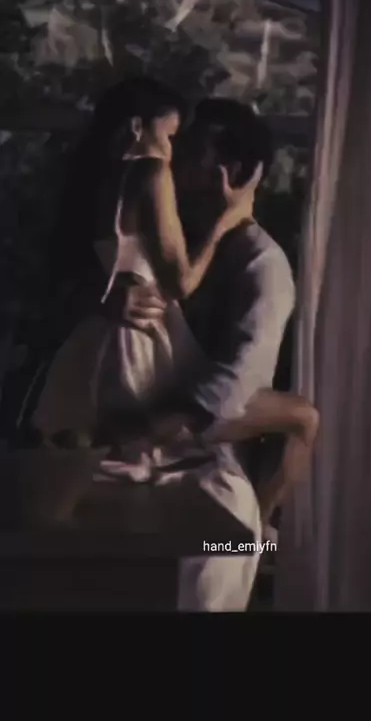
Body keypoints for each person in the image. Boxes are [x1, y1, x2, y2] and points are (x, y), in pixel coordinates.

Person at [101, 97, 320, 534]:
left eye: (191, 150)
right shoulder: (173, 233)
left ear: (227, 172)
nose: (174, 158)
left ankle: (258, 541)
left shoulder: (261, 264)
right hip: (138, 394)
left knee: (304, 420)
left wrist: (157, 429)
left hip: (181, 421)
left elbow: (238, 377)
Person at [29, 77, 261, 445]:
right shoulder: (151, 172)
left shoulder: (95, 179)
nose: (171, 151)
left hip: (94, 336)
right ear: (137, 127)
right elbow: (180, 283)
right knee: (140, 450)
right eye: (169, 136)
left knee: (93, 453)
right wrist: (226, 221)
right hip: (138, 335)